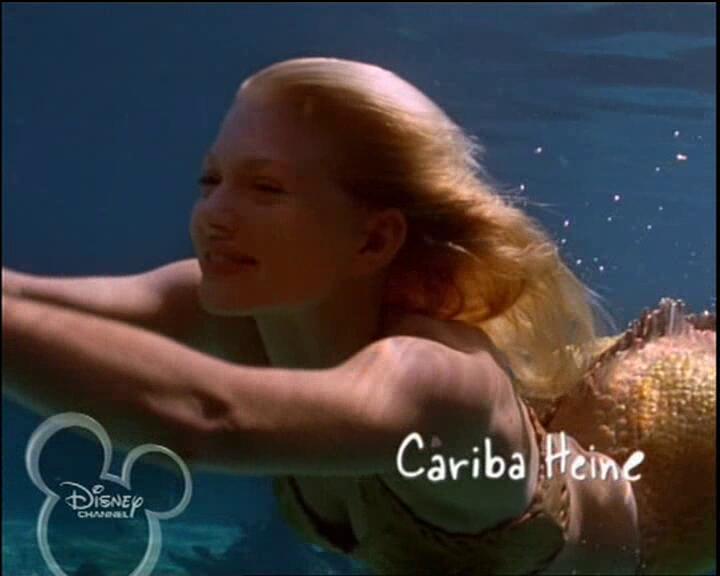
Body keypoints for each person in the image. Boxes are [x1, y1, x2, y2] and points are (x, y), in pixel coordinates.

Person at [2, 58, 714, 575]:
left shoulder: (433, 385)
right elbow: (29, 298)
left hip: (673, 512)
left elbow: (206, 416)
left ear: (374, 239)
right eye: (210, 179)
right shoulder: (244, 307)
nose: (213, 214)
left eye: (265, 187)